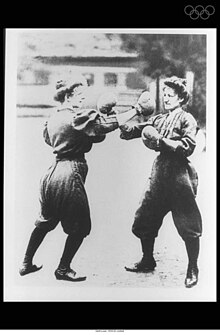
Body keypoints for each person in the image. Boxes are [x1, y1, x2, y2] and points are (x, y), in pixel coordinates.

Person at [19, 75, 143, 282]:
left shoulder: (53, 118)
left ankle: (25, 263)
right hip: (71, 172)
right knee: (81, 227)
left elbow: (60, 139)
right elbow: (105, 126)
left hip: (52, 173)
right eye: (80, 95)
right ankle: (63, 269)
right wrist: (136, 111)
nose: (82, 99)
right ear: (69, 95)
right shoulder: (76, 117)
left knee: (45, 221)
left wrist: (101, 118)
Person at [120, 76, 202, 288]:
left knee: (188, 225)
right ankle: (147, 260)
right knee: (144, 218)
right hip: (159, 175)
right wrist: (120, 122)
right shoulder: (158, 119)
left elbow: (188, 145)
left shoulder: (187, 120)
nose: (166, 99)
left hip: (178, 176)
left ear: (181, 97)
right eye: (164, 95)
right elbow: (136, 131)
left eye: (170, 95)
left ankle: (193, 267)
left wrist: (162, 141)